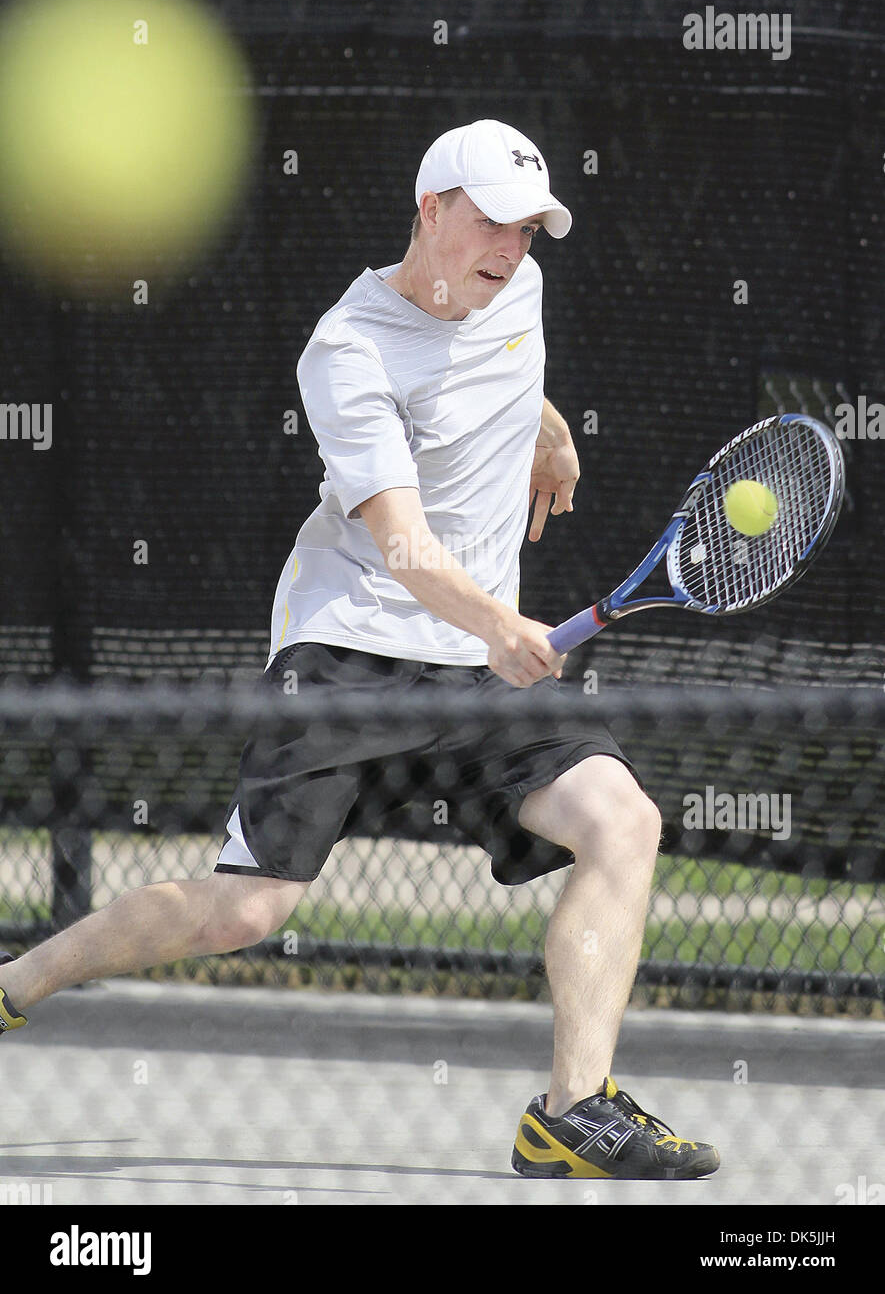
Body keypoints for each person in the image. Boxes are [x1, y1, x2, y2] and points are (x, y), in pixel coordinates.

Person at [0, 119, 718, 1180]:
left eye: (528, 231)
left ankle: (572, 1111)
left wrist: (549, 429)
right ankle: (19, 980)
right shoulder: (348, 349)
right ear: (429, 209)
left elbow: (502, 365)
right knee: (248, 909)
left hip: (479, 665)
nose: (511, 251)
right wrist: (500, 627)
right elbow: (403, 542)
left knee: (622, 820)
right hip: (353, 649)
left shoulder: (512, 287)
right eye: (489, 225)